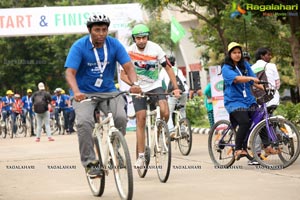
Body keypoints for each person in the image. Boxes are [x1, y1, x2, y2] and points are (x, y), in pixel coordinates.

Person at [64, 14, 141, 177]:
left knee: (121, 117)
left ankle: (115, 149)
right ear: (90, 31)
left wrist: (134, 84)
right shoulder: (79, 47)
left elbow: (129, 67)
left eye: (104, 30)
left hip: (109, 91)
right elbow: (70, 73)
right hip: (84, 93)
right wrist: (76, 92)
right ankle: (90, 163)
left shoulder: (114, 45)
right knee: (85, 122)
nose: (101, 33)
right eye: (97, 30)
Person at [124, 24, 181, 168]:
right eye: (138, 38)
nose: (141, 41)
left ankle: (160, 130)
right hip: (138, 87)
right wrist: (133, 85)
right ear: (134, 39)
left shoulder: (156, 48)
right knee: (141, 118)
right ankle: (141, 156)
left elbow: (168, 67)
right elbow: (122, 74)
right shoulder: (129, 51)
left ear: (147, 37)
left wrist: (175, 88)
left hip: (155, 85)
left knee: (165, 110)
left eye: (144, 37)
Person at [221, 42, 279, 161]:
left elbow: (254, 81)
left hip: (248, 100)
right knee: (245, 122)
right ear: (229, 54)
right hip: (234, 101)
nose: (237, 55)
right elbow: (237, 79)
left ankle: (267, 146)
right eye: (234, 52)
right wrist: (250, 78)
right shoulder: (226, 68)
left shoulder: (245, 65)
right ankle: (238, 149)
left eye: (239, 52)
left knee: (261, 118)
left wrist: (267, 89)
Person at [159, 55, 189, 135]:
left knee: (169, 111)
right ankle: (183, 130)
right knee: (182, 110)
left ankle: (171, 130)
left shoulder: (163, 70)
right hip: (183, 92)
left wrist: (164, 92)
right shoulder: (178, 70)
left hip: (173, 92)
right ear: (174, 62)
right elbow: (184, 81)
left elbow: (161, 83)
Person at [251, 47, 280, 114]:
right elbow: (277, 84)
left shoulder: (251, 68)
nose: (270, 57)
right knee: (272, 119)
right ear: (262, 56)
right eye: (268, 55)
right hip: (271, 98)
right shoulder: (271, 66)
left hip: (257, 99)